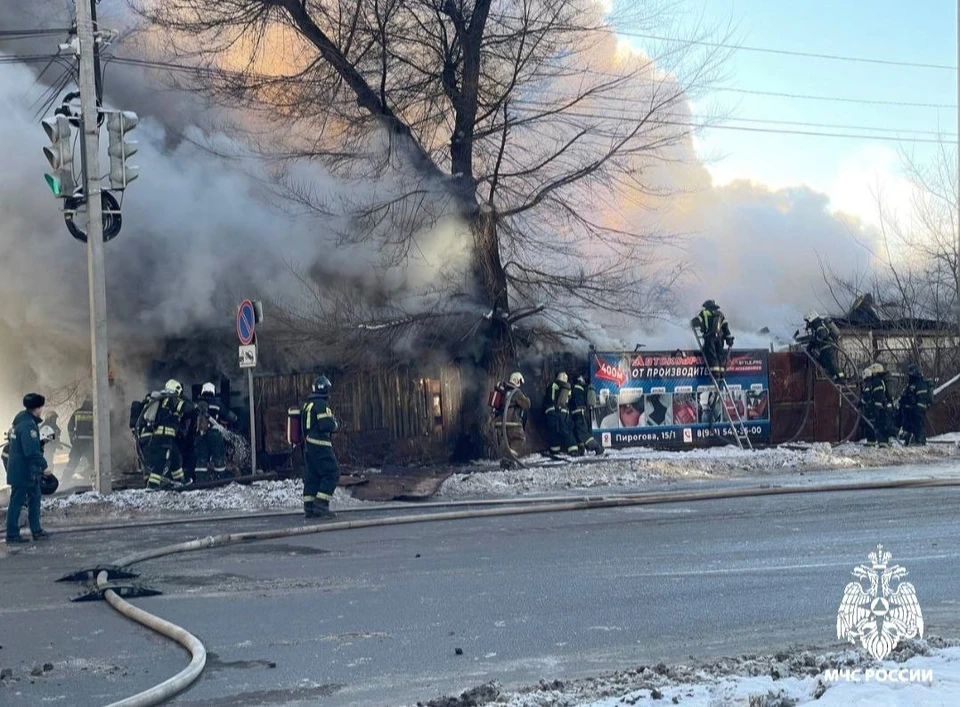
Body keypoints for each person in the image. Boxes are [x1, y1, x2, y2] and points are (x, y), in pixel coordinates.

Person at [5, 394, 52, 543]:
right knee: (17, 502)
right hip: (23, 471)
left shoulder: (23, 421)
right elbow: (31, 451)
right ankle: (12, 535)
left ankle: (36, 530)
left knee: (35, 498)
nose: (42, 410)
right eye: (41, 407)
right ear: (37, 408)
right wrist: (43, 466)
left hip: (27, 471)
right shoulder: (27, 426)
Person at [136, 380, 194, 490]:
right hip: (162, 437)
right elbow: (187, 408)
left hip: (157, 437)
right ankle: (152, 485)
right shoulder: (172, 399)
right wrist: (189, 402)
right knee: (161, 460)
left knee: (176, 457)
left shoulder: (159, 399)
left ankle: (180, 481)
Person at [301, 375, 340, 519]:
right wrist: (335, 424)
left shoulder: (307, 405)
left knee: (313, 476)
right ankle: (321, 505)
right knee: (332, 473)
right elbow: (326, 425)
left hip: (308, 446)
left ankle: (309, 507)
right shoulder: (321, 405)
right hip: (321, 445)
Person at [194, 382, 238, 481]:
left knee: (201, 457)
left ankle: (200, 481)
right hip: (215, 434)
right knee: (218, 457)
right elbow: (232, 417)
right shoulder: (217, 404)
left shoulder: (197, 404)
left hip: (200, 434)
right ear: (213, 391)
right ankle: (220, 479)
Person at [691, 300, 735, 380]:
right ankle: (721, 374)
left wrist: (693, 323)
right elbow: (725, 328)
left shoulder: (704, 313)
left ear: (706, 306)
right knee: (720, 355)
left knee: (711, 355)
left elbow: (696, 321)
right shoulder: (721, 314)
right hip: (720, 339)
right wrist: (728, 339)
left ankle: (715, 375)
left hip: (709, 338)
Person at [493, 372, 532, 461]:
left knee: (506, 442)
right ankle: (510, 458)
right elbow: (526, 405)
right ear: (516, 380)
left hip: (500, 422)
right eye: (519, 382)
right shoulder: (516, 392)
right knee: (519, 439)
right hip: (512, 422)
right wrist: (527, 400)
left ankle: (506, 460)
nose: (520, 384)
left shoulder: (503, 390)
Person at [799, 312, 845, 382]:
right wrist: (811, 346)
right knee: (823, 362)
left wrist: (813, 342)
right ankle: (835, 377)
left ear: (810, 318)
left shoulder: (817, 323)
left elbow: (822, 334)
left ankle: (841, 378)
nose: (807, 323)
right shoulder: (816, 325)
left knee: (832, 363)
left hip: (828, 346)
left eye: (807, 321)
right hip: (824, 348)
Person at [897, 364, 933, 446]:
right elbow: (906, 396)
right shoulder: (910, 385)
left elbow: (922, 399)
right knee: (908, 427)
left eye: (910, 373)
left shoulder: (921, 384)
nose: (909, 375)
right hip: (908, 411)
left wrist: (917, 409)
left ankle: (920, 441)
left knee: (918, 426)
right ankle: (909, 441)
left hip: (916, 411)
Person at [543, 372, 578, 456]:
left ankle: (555, 450)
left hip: (550, 412)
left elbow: (547, 398)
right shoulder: (567, 387)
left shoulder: (551, 385)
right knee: (566, 430)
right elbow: (568, 401)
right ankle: (573, 450)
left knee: (553, 431)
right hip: (563, 412)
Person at [860, 363, 894, 446]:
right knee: (881, 424)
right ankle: (881, 442)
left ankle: (899, 435)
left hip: (877, 407)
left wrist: (863, 402)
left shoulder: (876, 382)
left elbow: (877, 395)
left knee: (882, 425)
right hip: (881, 406)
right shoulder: (878, 381)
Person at [570, 375, 604, 455]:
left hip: (579, 414)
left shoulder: (574, 389)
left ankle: (597, 447)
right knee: (579, 432)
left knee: (583, 433)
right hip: (584, 414)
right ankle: (581, 450)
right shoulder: (584, 389)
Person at [63, 397, 94, 480]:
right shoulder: (94, 412)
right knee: (94, 462)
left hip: (77, 442)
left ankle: (65, 479)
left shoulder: (77, 412)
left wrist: (72, 438)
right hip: (89, 442)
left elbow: (70, 426)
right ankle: (87, 477)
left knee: (73, 461)